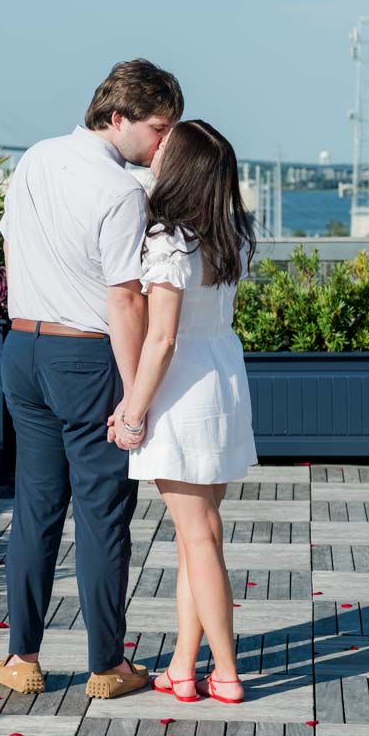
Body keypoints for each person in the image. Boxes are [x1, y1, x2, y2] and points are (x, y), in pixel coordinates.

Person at [0, 59, 183, 701]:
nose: (163, 143)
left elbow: (12, 249)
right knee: (102, 515)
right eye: (157, 128)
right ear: (118, 117)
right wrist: (134, 397)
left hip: (22, 347)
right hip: (86, 357)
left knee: (35, 509)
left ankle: (22, 657)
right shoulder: (123, 190)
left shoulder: (36, 159)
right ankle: (107, 664)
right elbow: (125, 298)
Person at [111, 119, 258, 705]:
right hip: (222, 379)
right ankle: (182, 663)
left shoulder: (171, 240)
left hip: (183, 391)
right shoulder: (231, 235)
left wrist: (132, 412)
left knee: (198, 538)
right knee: (198, 538)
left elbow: (162, 339)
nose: (157, 151)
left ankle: (224, 672)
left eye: (167, 149)